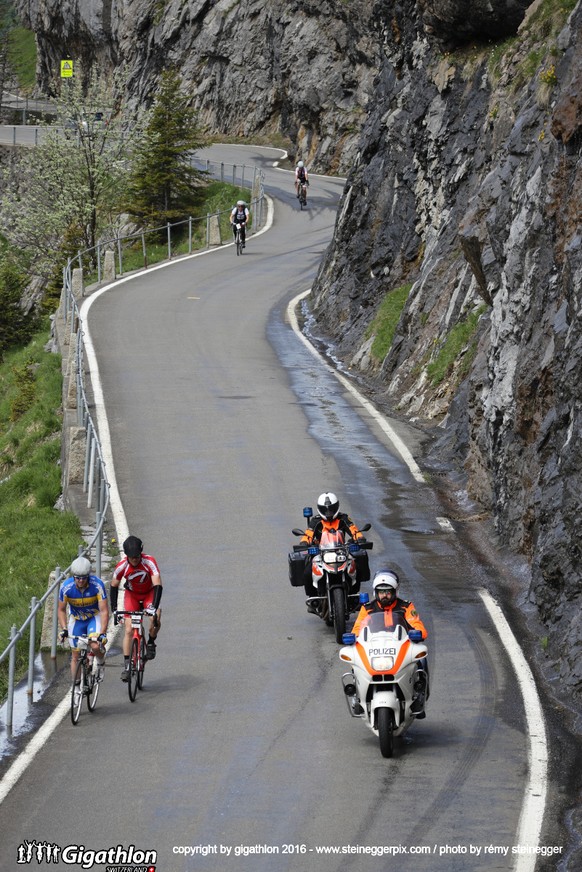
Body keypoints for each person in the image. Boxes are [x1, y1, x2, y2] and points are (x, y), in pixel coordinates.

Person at [351, 569, 428, 714]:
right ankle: (357, 697)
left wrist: (417, 632)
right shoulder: (367, 609)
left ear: (395, 592)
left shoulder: (406, 606)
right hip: (374, 647)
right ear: (376, 592)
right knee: (356, 664)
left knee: (421, 661)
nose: (384, 595)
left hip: (399, 645)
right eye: (381, 592)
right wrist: (353, 637)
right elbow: (357, 629)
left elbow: (418, 625)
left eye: (388, 592)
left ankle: (419, 696)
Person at [110, 535, 163, 681]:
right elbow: (114, 586)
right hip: (132, 595)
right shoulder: (122, 566)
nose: (135, 559)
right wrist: (114, 609)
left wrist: (154, 608)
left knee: (155, 618)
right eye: (132, 557)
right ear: (127, 556)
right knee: (128, 629)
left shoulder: (149, 562)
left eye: (137, 556)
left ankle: (151, 642)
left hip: (149, 594)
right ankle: (127, 666)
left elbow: (158, 585)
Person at [58, 556, 109, 685]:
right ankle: (76, 688)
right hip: (76, 620)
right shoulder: (66, 587)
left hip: (94, 617)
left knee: (95, 645)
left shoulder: (97, 585)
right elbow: (61, 610)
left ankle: (101, 663)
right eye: (77, 577)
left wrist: (103, 632)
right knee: (75, 656)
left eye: (83, 577)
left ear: (88, 576)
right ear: (73, 576)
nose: (80, 581)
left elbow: (104, 611)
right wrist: (64, 629)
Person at [300, 492, 366, 547]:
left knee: (361, 554)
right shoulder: (316, 521)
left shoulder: (343, 518)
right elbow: (308, 534)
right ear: (320, 509)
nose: (328, 513)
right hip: (320, 551)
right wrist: (304, 542)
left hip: (341, 549)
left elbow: (353, 529)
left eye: (331, 509)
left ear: (336, 507)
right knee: (305, 556)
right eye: (325, 510)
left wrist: (359, 537)